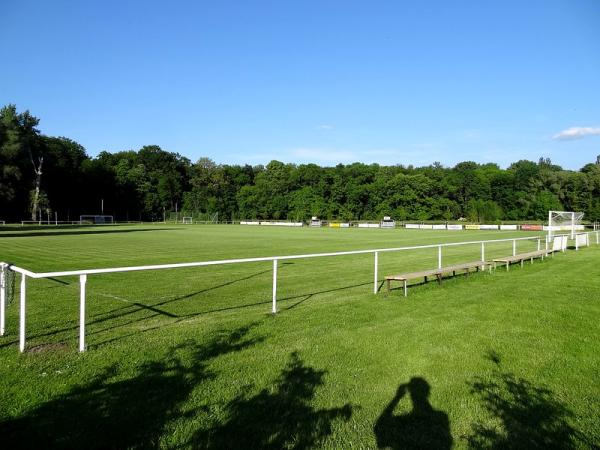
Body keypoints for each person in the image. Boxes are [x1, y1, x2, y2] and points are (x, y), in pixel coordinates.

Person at [374, 377, 452, 449]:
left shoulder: (403, 421)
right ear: (428, 392)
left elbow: (380, 425)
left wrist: (397, 397)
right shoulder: (441, 416)